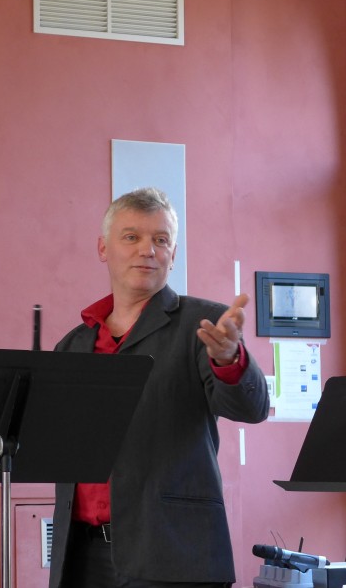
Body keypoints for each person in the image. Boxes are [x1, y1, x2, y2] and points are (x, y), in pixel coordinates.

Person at [48, 187, 270, 588]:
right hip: (82, 555)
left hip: (174, 553)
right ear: (103, 248)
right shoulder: (74, 344)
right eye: (131, 237)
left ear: (173, 253)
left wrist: (229, 360)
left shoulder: (204, 325)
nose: (147, 250)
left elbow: (250, 409)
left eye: (161, 240)